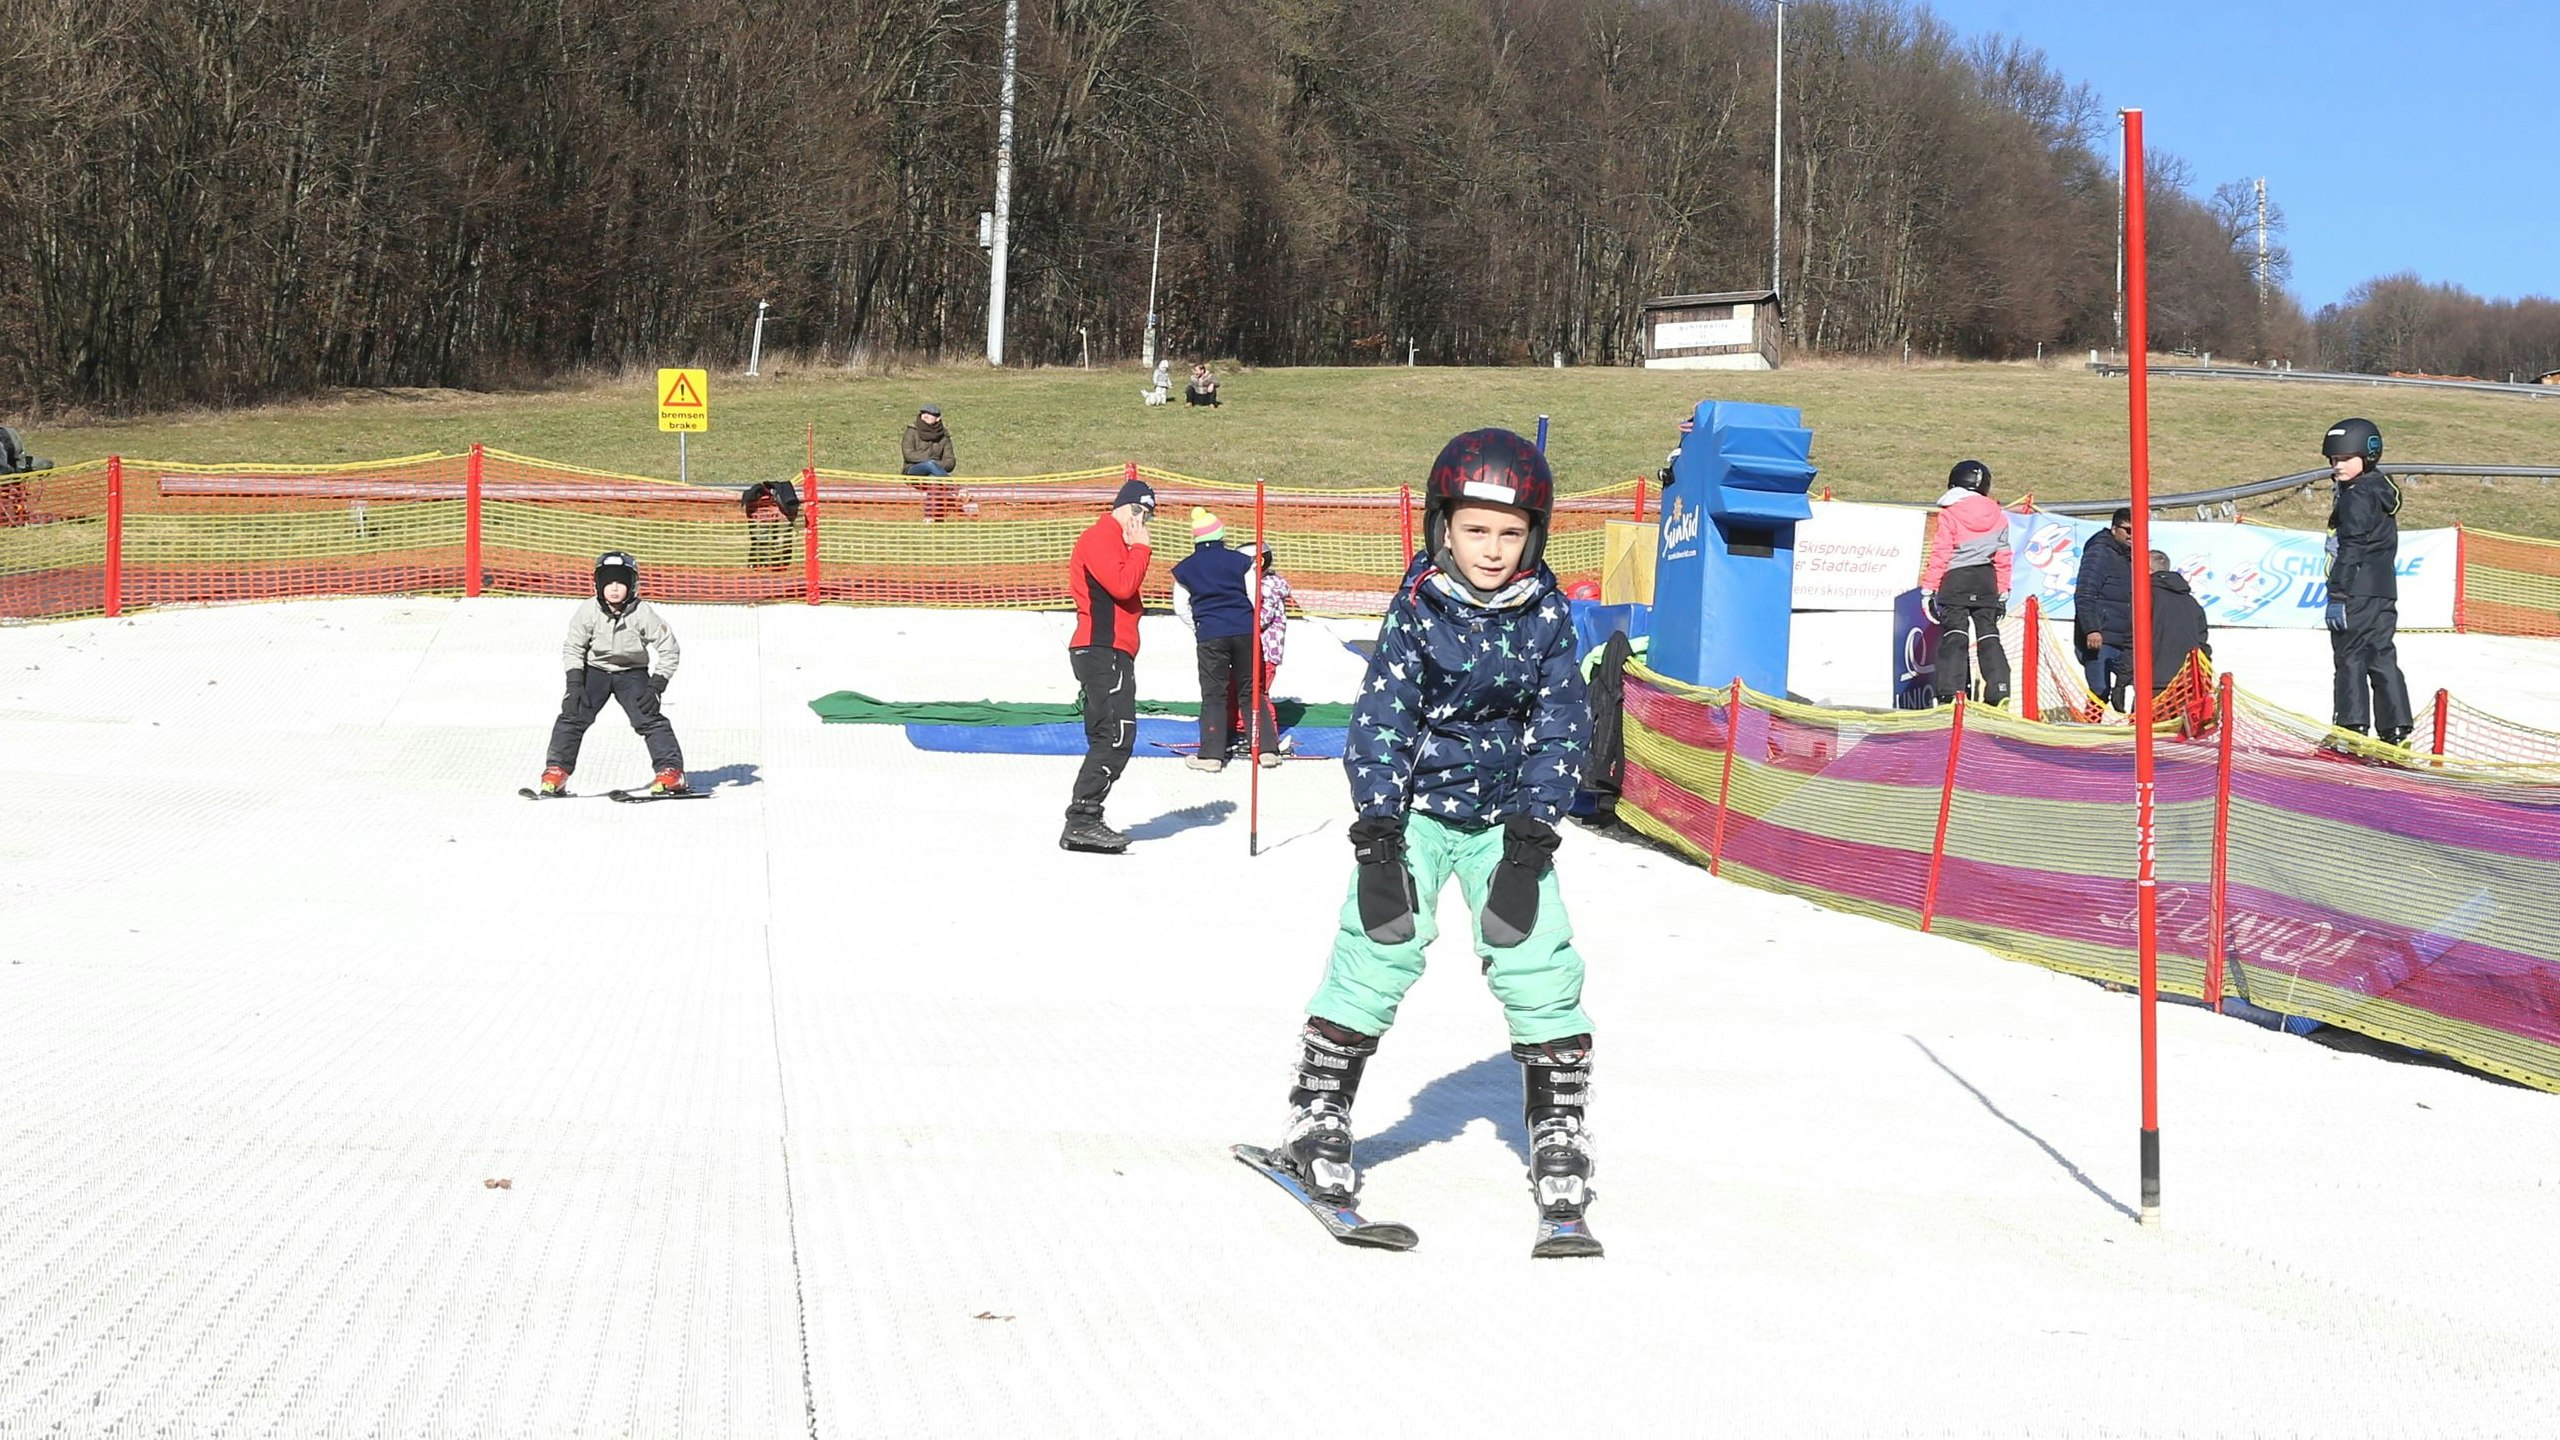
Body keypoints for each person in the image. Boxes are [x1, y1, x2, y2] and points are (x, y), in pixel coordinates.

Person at [1264, 427, 1601, 1249]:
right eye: (1476, 529)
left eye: (1511, 532)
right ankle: (1319, 1117)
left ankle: (1557, 1128)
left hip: (1504, 822)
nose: (1492, 549)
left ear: (1536, 536)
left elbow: (1563, 725)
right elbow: (1384, 716)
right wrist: (1378, 830)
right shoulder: (1417, 608)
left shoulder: (1550, 617)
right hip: (1412, 813)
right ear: (1442, 528)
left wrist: (1532, 834)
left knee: (1537, 956)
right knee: (1379, 946)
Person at [537, 551, 687, 795]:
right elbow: (573, 647)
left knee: (648, 718)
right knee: (572, 714)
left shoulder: (642, 613)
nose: (615, 589)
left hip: (632, 673)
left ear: (632, 585)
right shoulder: (588, 611)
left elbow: (669, 649)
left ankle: (671, 772)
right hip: (595, 671)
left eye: (621, 583)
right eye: (608, 583)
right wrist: (574, 683)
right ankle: (556, 771)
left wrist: (656, 686)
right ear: (598, 585)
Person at [1061, 478, 1156, 852]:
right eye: (1136, 511)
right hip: (1101, 648)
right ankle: (1082, 818)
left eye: (1147, 516)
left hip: (1112, 649)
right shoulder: (1101, 537)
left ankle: (1086, 816)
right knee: (1113, 736)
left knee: (1115, 735)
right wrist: (1142, 550)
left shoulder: (1120, 542)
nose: (1140, 521)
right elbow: (1121, 585)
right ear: (1119, 507)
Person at [2322, 417, 2414, 745]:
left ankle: (2351, 729)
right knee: (2380, 654)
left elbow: (2352, 546)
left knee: (2349, 656)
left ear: (2368, 456)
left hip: (2358, 590)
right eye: (2334, 460)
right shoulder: (2378, 489)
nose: (2338, 466)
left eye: (2346, 459)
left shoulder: (2357, 496)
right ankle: (2396, 729)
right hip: (2382, 589)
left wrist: (2338, 592)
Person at [1169, 507, 1271, 772]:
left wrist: (1200, 627)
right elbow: (1254, 597)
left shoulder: (1185, 569)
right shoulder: (1240, 561)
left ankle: (1212, 755)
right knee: (1251, 691)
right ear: (1221, 535)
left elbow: (1180, 607)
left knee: (1214, 694)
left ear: (1196, 539)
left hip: (1210, 635)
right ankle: (1266, 749)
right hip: (1244, 631)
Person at [1920, 459, 2014, 707]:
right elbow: (2003, 555)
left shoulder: (1950, 514)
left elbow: (1941, 553)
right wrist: (2003, 591)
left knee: (1955, 634)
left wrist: (1928, 589)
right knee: (1989, 634)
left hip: (1956, 580)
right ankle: (1999, 688)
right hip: (1986, 580)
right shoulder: (1999, 515)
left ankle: (1951, 693)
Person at [2074, 507, 2135, 709]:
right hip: (2101, 638)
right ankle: (2091, 730)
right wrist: (2092, 629)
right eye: (2127, 530)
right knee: (2100, 692)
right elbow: (2085, 592)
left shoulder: (2132, 557)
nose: (2131, 536)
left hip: (2126, 638)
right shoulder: (2099, 552)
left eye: (2136, 531)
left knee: (2137, 687)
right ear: (2114, 529)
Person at [1246, 542, 1294, 759]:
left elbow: (1262, 618)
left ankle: (1268, 739)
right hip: (1258, 648)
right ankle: (1245, 730)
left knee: (1259, 693)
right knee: (1249, 690)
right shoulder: (1261, 584)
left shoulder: (1267, 588)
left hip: (1266, 650)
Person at [2144, 549, 2212, 696]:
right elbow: (2202, 642)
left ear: (2148, 570)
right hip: (2186, 680)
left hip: (2154, 680)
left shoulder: (2146, 597)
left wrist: (2122, 680)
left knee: (2147, 718)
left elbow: (2132, 638)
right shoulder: (2191, 602)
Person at [740, 478, 801, 573]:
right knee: (762, 539)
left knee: (782, 540)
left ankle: (778, 567)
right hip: (760, 502)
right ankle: (758, 567)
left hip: (782, 499)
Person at [901, 405, 956, 477]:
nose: (926, 415)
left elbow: (950, 462)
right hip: (913, 469)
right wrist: (929, 461)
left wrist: (935, 464)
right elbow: (908, 455)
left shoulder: (944, 436)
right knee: (929, 465)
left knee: (933, 478)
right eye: (923, 413)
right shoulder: (912, 431)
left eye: (930, 414)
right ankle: (951, 486)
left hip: (935, 471)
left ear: (937, 418)